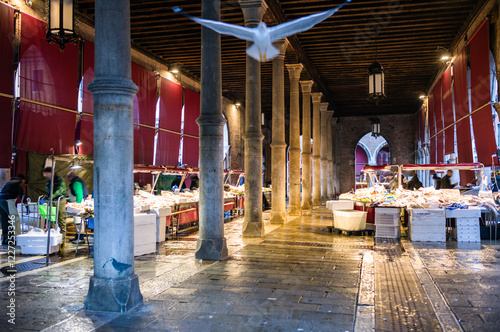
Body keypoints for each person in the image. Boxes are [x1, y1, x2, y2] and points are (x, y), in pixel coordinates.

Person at [42, 167, 68, 249]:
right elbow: (49, 191)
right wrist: (46, 198)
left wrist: (51, 197)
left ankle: (62, 240)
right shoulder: (49, 181)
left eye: (47, 175)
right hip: (52, 201)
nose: (46, 177)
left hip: (60, 201)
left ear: (50, 173)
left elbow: (60, 190)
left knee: (61, 220)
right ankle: (52, 239)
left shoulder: (59, 179)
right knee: (51, 219)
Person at [0, 174, 26, 245]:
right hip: (8, 200)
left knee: (5, 220)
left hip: (1, 200)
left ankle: (5, 238)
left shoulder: (9, 182)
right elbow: (22, 194)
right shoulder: (18, 183)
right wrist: (25, 204)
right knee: (14, 219)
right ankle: (13, 238)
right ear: (23, 180)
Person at [67, 171, 89, 244]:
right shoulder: (76, 182)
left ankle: (81, 238)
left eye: (68, 177)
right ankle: (77, 236)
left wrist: (77, 204)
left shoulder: (76, 182)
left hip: (78, 204)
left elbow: (79, 194)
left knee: (79, 221)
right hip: (75, 203)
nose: (67, 179)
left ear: (71, 177)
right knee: (76, 220)